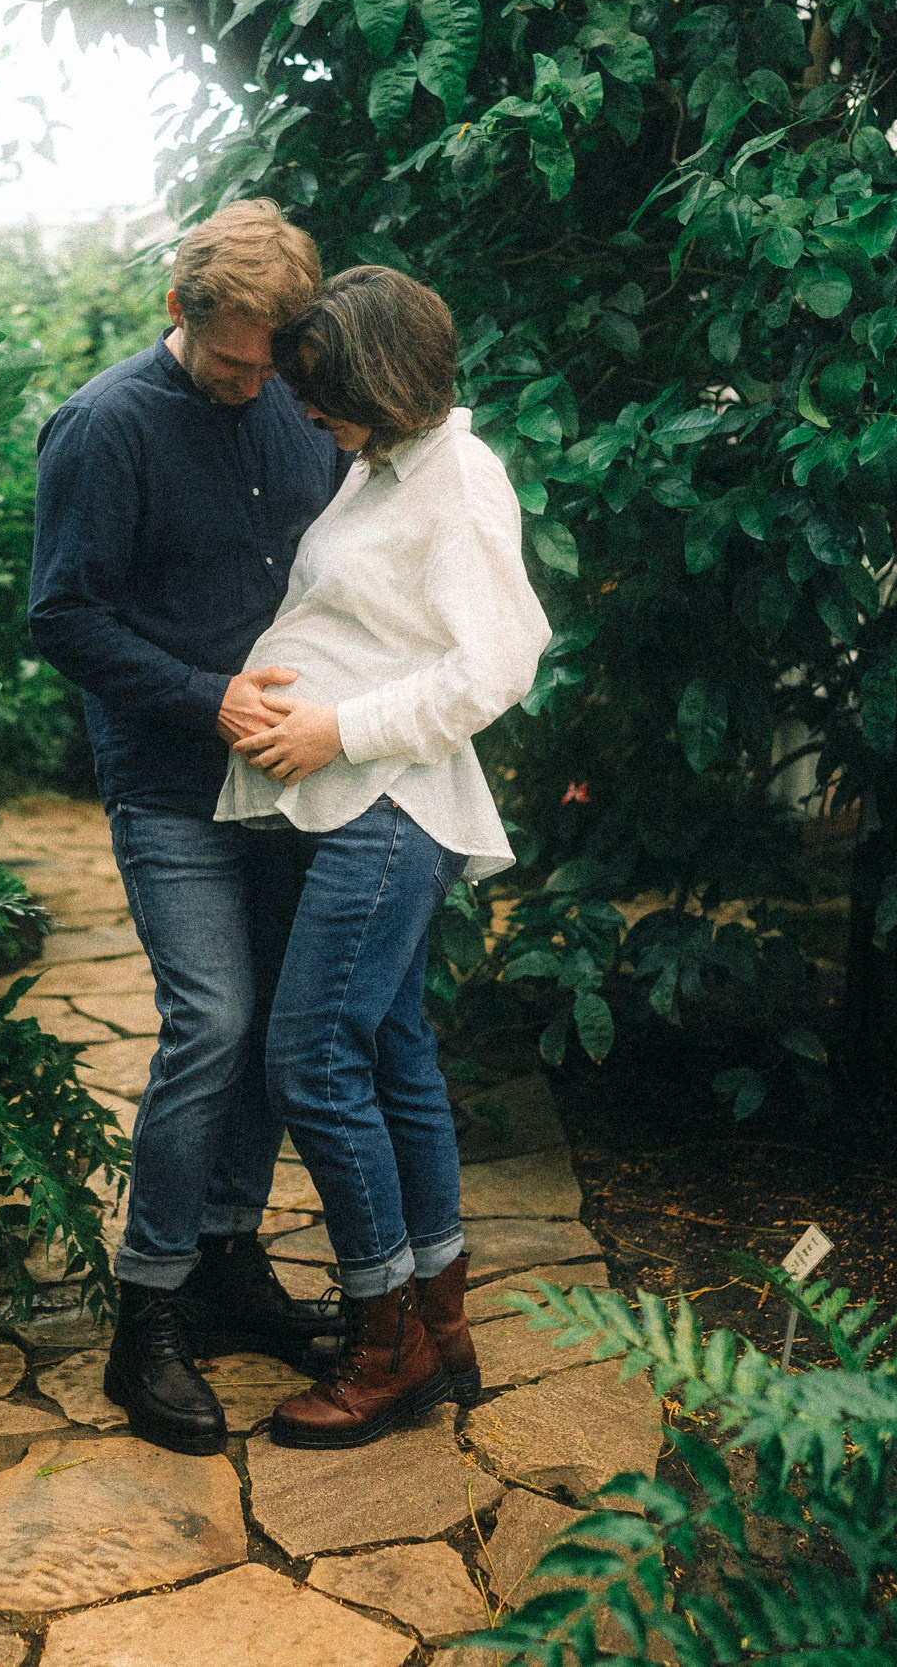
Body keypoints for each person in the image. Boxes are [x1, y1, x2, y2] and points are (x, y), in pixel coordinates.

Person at [29, 200, 354, 1456]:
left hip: (284, 774)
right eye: (231, 361)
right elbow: (63, 618)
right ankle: (147, 1314)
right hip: (171, 779)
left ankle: (227, 1257)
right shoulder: (103, 426)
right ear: (177, 309)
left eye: (272, 364)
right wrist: (206, 698)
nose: (255, 385)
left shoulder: (288, 398)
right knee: (211, 1018)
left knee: (272, 1025)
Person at [217, 265, 552, 1449]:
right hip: (357, 803)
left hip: (388, 801)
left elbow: (498, 663)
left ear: (384, 379)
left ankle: (384, 1347)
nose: (310, 413)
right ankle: (437, 1320)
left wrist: (337, 730)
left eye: (327, 395)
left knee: (310, 1062)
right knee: (392, 1049)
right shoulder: (380, 468)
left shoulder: (456, 475)